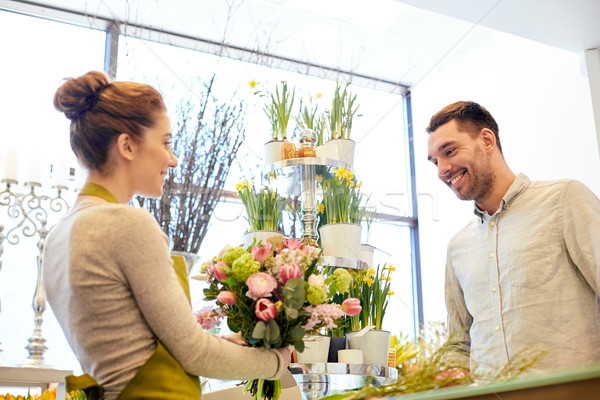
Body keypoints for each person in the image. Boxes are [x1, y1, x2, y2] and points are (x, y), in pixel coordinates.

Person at [44, 70, 293, 400]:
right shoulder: (127, 224)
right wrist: (277, 362)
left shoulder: (58, 236)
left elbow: (136, 349)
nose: (172, 159)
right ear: (127, 145)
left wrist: (222, 345)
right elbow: (194, 353)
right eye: (165, 142)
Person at [426, 101, 600, 379]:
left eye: (449, 151)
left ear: (486, 140)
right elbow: (459, 345)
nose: (442, 169)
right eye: (435, 161)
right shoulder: (458, 248)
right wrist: (447, 375)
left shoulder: (564, 199)